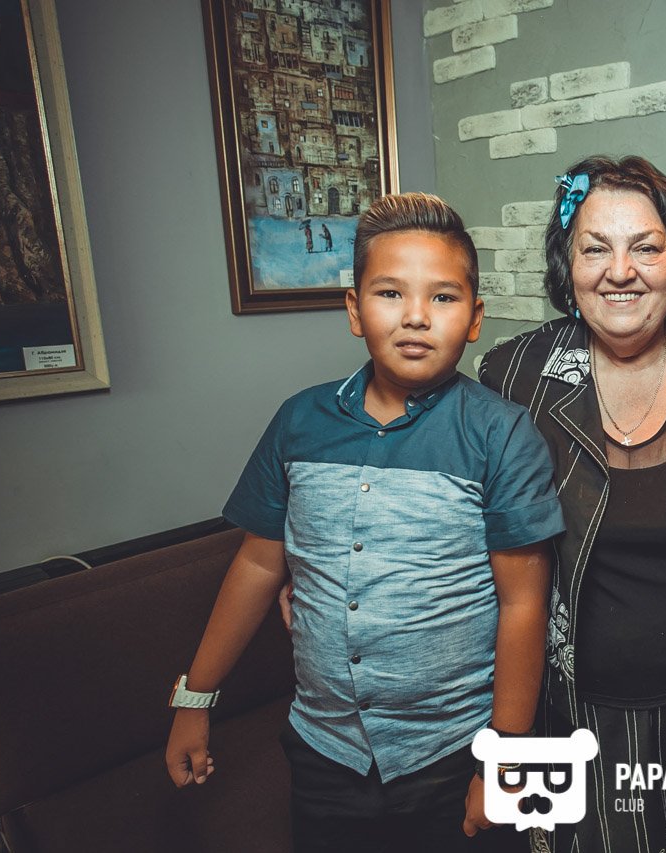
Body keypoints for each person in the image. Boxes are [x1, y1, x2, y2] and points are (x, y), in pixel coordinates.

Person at [165, 192, 563, 853]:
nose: (415, 315)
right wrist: (195, 697)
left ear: (474, 319)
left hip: (454, 751)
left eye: (443, 297)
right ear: (355, 310)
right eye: (389, 293)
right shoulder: (299, 422)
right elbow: (259, 563)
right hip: (325, 753)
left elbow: (523, 603)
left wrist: (505, 759)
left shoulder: (502, 434)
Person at [479, 156, 666, 853]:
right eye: (595, 249)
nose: (620, 271)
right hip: (567, 717)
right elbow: (465, 521)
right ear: (568, 265)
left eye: (646, 247)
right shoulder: (514, 375)